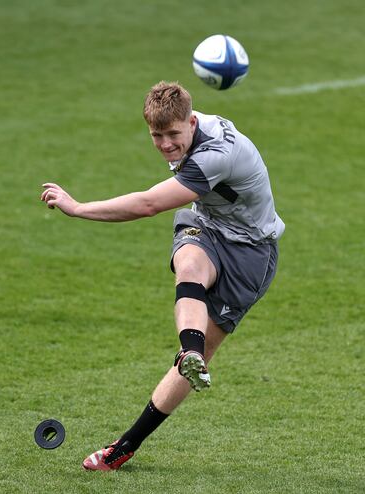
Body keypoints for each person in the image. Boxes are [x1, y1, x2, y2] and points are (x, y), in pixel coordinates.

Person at [41, 81, 285, 471]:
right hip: (207, 223)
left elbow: (149, 203)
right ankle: (190, 349)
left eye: (173, 135)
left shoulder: (215, 155)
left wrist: (79, 207)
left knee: (203, 354)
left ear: (191, 122)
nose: (166, 144)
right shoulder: (188, 131)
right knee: (189, 267)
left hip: (250, 252)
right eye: (157, 136)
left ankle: (127, 443)